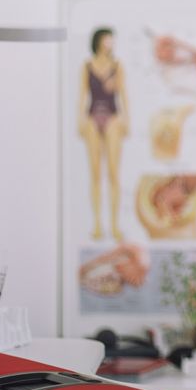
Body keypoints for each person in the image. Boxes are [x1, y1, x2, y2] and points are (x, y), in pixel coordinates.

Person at [78, 27, 130, 241]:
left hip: (113, 118)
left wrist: (127, 118)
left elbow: (123, 94)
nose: (110, 43)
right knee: (95, 174)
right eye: (108, 40)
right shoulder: (87, 66)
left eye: (112, 40)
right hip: (92, 117)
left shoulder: (117, 66)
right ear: (99, 41)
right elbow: (82, 94)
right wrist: (80, 119)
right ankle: (98, 224)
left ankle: (115, 225)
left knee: (113, 174)